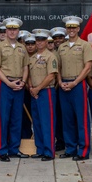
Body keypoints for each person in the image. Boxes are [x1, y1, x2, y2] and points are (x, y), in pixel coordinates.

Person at [0, 18, 29, 161]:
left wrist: (23, 82)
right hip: (5, 85)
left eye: (15, 29)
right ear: (6, 31)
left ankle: (14, 148)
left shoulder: (22, 48)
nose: (12, 32)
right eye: (10, 29)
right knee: (3, 118)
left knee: (16, 118)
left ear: (18, 31)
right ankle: (2, 151)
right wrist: (8, 83)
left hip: (19, 84)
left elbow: (25, 67)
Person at [57, 16, 92, 160]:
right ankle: (70, 148)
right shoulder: (62, 47)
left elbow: (88, 66)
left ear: (78, 29)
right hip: (64, 85)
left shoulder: (85, 45)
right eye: (69, 28)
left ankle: (83, 150)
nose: (71, 30)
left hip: (78, 85)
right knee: (67, 120)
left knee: (82, 119)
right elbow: (58, 67)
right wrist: (60, 81)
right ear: (66, 29)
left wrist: (75, 82)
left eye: (74, 27)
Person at [27, 29, 58, 161]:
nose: (39, 43)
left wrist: (38, 88)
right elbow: (29, 74)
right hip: (34, 93)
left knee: (47, 122)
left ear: (46, 41)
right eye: (37, 40)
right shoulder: (32, 57)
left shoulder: (51, 56)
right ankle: (40, 149)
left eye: (42, 40)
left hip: (46, 92)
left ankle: (49, 151)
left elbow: (51, 75)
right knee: (37, 122)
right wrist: (31, 88)